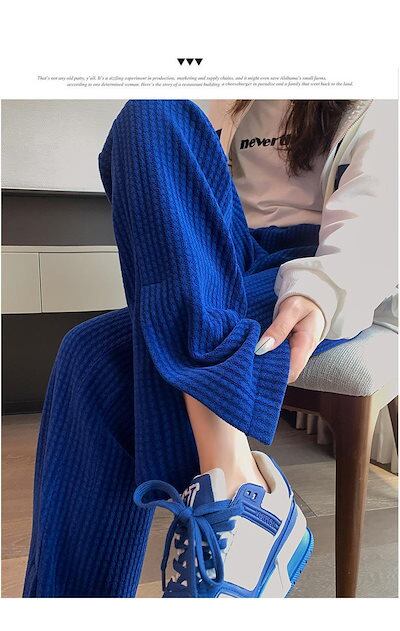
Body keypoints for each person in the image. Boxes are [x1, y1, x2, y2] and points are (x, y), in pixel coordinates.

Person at [23, 99, 397, 598]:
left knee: (93, 359)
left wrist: (321, 290)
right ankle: (241, 486)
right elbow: (185, 189)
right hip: (226, 258)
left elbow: (381, 209)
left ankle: (232, 481)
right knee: (153, 110)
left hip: (313, 262)